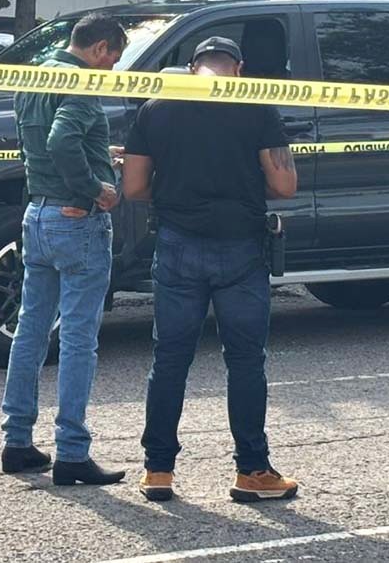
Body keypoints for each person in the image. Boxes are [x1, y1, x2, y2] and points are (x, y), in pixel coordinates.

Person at [122, 36, 299, 503]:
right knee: (245, 361)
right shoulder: (256, 108)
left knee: (169, 359)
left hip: (177, 245)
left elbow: (134, 187)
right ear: (238, 68)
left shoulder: (156, 108)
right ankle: (252, 471)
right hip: (241, 247)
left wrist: (175, 189)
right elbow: (284, 185)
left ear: (191, 67)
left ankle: (158, 470)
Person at [0, 13, 128, 486]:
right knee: (78, 339)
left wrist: (97, 156)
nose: (111, 70)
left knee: (30, 331)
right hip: (77, 221)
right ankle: (72, 452)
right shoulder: (80, 83)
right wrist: (95, 188)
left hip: (37, 214)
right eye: (112, 60)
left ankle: (17, 442)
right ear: (99, 49)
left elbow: (39, 143)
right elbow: (61, 140)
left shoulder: (34, 76)